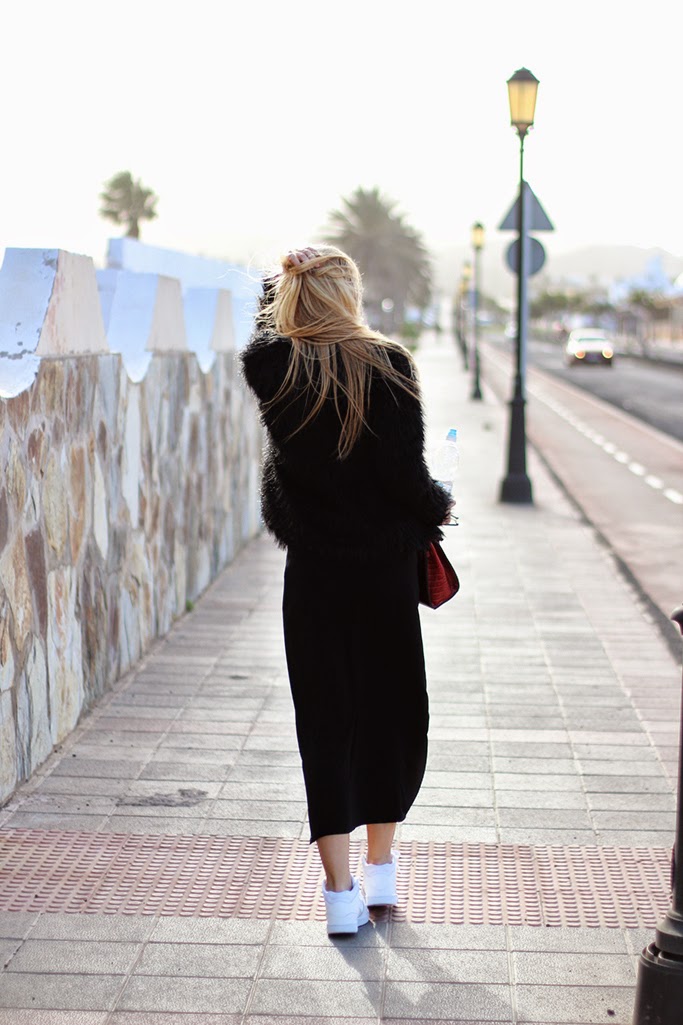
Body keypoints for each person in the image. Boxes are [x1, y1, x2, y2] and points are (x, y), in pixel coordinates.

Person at [240, 245, 453, 935]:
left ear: (293, 296)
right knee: (392, 712)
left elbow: (263, 334)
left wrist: (282, 278)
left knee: (324, 722)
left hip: (313, 574)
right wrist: (438, 507)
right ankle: (381, 866)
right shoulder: (387, 365)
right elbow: (404, 476)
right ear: (349, 294)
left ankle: (339, 896)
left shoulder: (276, 370)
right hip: (383, 573)